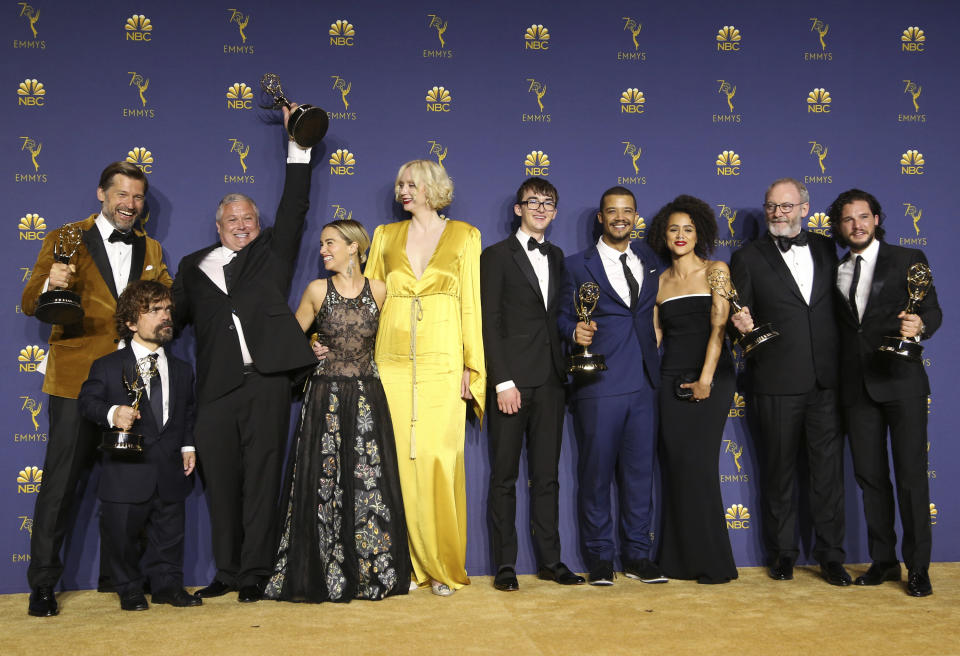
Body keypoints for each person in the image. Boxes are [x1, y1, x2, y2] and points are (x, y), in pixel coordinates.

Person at [172, 107, 317, 603]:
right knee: (222, 483)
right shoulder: (192, 267)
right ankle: (227, 570)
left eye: (248, 219)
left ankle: (255, 572)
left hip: (267, 382)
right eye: (232, 219)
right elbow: (169, 319)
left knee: (260, 479)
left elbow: (295, 205)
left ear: (258, 225)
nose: (240, 224)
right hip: (215, 389)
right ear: (218, 226)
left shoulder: (271, 253)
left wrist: (298, 145)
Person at [22, 161, 172, 617]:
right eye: (122, 195)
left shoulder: (153, 247)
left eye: (138, 197)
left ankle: (121, 578)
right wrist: (52, 282)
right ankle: (43, 585)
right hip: (75, 381)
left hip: (132, 383)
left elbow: (165, 302)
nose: (130, 205)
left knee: (129, 486)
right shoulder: (66, 238)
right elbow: (30, 302)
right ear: (102, 195)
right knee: (61, 485)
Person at [264, 219, 411, 602]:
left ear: (354, 247)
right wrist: (310, 346)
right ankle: (323, 568)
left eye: (330, 243)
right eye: (321, 244)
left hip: (366, 398)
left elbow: (394, 345)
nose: (323, 250)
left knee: (368, 485)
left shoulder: (380, 290)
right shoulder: (316, 290)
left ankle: (368, 574)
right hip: (324, 397)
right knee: (323, 485)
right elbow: (288, 342)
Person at [365, 159, 485, 596]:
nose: (403, 191)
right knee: (396, 463)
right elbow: (370, 299)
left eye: (412, 184)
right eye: (400, 184)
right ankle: (408, 565)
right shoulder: (384, 236)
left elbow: (470, 303)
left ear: (433, 188)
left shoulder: (465, 235)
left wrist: (472, 367)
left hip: (442, 362)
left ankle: (442, 566)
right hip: (390, 363)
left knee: (438, 460)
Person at [730, 178, 849, 586]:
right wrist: (740, 326)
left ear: (804, 207)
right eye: (771, 207)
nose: (778, 214)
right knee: (778, 471)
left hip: (826, 381)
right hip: (775, 380)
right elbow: (738, 317)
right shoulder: (747, 256)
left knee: (828, 474)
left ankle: (831, 555)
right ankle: (782, 553)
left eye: (786, 206)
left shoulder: (826, 247)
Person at [829, 189, 941, 597]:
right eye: (847, 220)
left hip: (901, 382)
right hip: (856, 387)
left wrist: (919, 327)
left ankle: (919, 568)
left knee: (912, 477)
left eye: (863, 217)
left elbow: (932, 310)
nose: (856, 225)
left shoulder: (908, 259)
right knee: (871, 478)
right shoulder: (836, 268)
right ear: (839, 227)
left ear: (876, 219)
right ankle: (883, 560)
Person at [480, 177, 585, 591]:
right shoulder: (495, 256)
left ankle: (551, 561)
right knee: (503, 477)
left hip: (553, 381)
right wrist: (503, 380)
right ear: (517, 209)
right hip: (511, 382)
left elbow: (557, 317)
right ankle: (506, 565)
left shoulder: (559, 257)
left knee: (547, 477)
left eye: (548, 203)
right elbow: (490, 323)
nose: (541, 208)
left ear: (556, 211)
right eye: (533, 202)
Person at [558, 186, 665, 586]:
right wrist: (575, 331)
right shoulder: (575, 265)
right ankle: (600, 557)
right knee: (596, 474)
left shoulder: (650, 261)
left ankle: (639, 554)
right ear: (600, 218)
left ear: (636, 217)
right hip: (598, 381)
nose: (620, 217)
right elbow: (561, 317)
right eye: (612, 211)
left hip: (643, 383)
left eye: (627, 211)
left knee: (640, 475)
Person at [77, 281, 199, 611]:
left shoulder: (183, 369)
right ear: (131, 322)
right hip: (126, 470)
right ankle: (129, 588)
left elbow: (187, 413)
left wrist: (189, 446)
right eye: (155, 311)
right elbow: (86, 402)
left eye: (168, 310)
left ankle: (167, 586)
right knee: (121, 534)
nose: (166, 317)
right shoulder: (108, 365)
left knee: (170, 534)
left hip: (170, 468)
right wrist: (112, 412)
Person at [646, 195, 737, 584]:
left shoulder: (716, 270)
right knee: (677, 468)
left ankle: (711, 563)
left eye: (688, 229)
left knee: (699, 467)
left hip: (711, 377)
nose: (680, 236)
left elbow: (719, 327)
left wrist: (705, 380)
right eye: (673, 229)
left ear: (699, 232)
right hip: (669, 379)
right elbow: (655, 338)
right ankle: (676, 561)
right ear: (663, 236)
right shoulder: (660, 281)